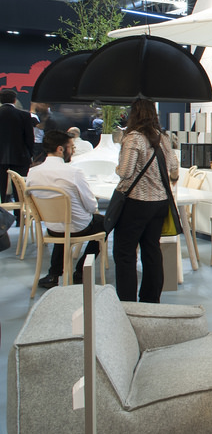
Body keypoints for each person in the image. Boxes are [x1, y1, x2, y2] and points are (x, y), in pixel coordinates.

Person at [112, 98, 179, 303]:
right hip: (159, 203)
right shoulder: (162, 137)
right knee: (151, 250)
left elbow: (125, 172)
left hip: (136, 202)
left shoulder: (133, 138)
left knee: (125, 253)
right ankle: (151, 301)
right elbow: (174, 168)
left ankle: (127, 302)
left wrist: (117, 167)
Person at [26, 130, 106, 288]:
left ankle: (53, 274)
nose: (73, 151)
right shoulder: (74, 173)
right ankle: (81, 271)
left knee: (64, 222)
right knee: (105, 222)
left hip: (51, 227)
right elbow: (91, 206)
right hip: (77, 227)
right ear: (60, 149)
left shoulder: (32, 173)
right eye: (71, 147)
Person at [0, 89, 34, 204]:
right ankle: (20, 213)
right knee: (19, 188)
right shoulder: (24, 115)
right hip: (20, 156)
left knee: (1, 188)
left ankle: (2, 212)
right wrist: (30, 154)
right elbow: (29, 138)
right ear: (14, 100)